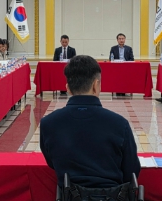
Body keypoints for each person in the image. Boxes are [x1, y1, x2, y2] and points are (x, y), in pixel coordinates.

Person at [40, 55, 140, 188]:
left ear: (68, 88)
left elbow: (52, 163)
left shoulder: (48, 123)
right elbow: (131, 170)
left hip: (69, 198)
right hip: (113, 198)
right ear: (95, 85)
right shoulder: (119, 124)